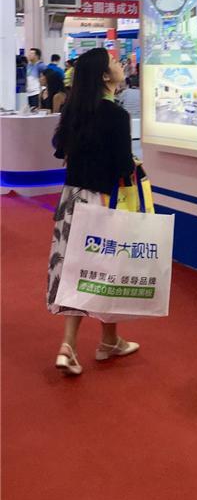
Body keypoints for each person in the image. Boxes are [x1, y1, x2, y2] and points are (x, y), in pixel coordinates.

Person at [48, 48, 139, 376]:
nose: (119, 64)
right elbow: (123, 166)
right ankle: (78, 344)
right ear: (104, 76)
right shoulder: (116, 116)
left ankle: (100, 341)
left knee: (80, 268)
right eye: (113, 62)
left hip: (71, 199)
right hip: (101, 201)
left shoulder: (74, 110)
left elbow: (61, 150)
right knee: (102, 270)